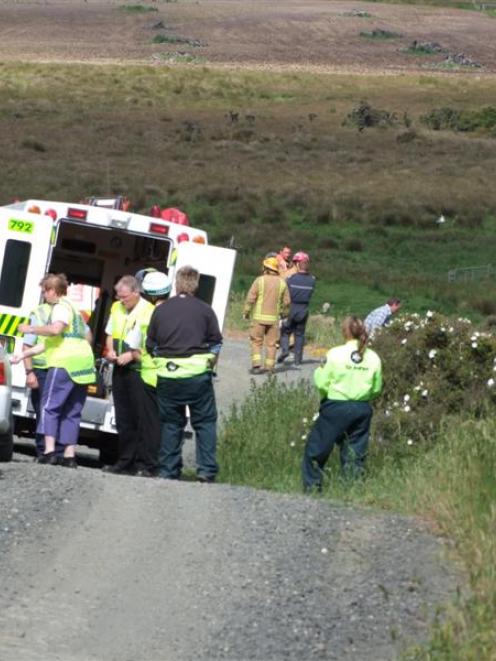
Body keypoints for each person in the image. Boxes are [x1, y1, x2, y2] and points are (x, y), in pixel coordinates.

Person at [146, 266, 222, 483]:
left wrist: (165, 358)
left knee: (171, 423)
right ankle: (206, 470)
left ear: (177, 284)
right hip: (197, 375)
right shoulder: (205, 310)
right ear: (196, 285)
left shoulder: (161, 310)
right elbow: (216, 342)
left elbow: (151, 344)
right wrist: (209, 362)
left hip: (168, 375)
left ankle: (168, 470)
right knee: (205, 422)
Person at [13, 273, 96, 468]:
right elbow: (79, 337)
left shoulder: (59, 308)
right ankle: (69, 455)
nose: (44, 296)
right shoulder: (75, 309)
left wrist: (30, 330)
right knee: (72, 411)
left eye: (45, 291)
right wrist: (23, 356)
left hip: (64, 363)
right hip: (83, 365)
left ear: (52, 290)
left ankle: (49, 452)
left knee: (50, 407)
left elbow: (55, 330)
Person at [302, 316, 382, 491]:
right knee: (355, 452)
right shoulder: (373, 357)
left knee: (317, 449)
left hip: (335, 406)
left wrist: (323, 389)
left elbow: (322, 383)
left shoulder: (335, 353)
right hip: (362, 408)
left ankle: (313, 488)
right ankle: (351, 490)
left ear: (344, 332)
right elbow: (377, 388)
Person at [103, 275, 155, 475]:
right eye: (118, 295)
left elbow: (151, 344)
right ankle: (124, 461)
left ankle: (140, 463)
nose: (120, 299)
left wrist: (132, 356)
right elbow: (110, 334)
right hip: (119, 368)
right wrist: (110, 351)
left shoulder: (149, 311)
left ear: (136, 292)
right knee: (123, 418)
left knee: (139, 418)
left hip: (139, 371)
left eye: (124, 296)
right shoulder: (116, 307)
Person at [131, 271, 173, 477]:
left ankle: (148, 465)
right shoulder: (175, 312)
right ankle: (165, 465)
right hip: (172, 376)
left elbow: (134, 344)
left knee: (149, 423)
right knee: (168, 424)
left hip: (149, 375)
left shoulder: (147, 313)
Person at [243, 256, 290, 375]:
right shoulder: (282, 283)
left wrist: (246, 312)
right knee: (272, 344)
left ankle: (256, 366)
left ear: (265, 267)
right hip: (274, 320)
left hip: (258, 319)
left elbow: (250, 298)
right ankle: (270, 368)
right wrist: (284, 315)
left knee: (256, 342)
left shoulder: (259, 280)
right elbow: (287, 302)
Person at [277, 251, 316, 368]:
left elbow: (286, 296)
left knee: (285, 331)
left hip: (292, 308)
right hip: (304, 309)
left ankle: (284, 350)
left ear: (298, 264)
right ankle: (298, 360)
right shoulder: (312, 280)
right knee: (300, 335)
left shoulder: (291, 279)